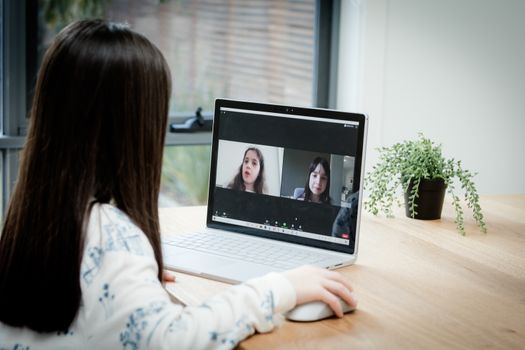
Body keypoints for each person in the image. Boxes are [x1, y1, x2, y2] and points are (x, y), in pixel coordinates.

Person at [0, 20, 356, 349]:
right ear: (134, 128)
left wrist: (129, 278)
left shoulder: (32, 220)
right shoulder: (109, 236)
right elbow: (176, 340)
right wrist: (282, 287)